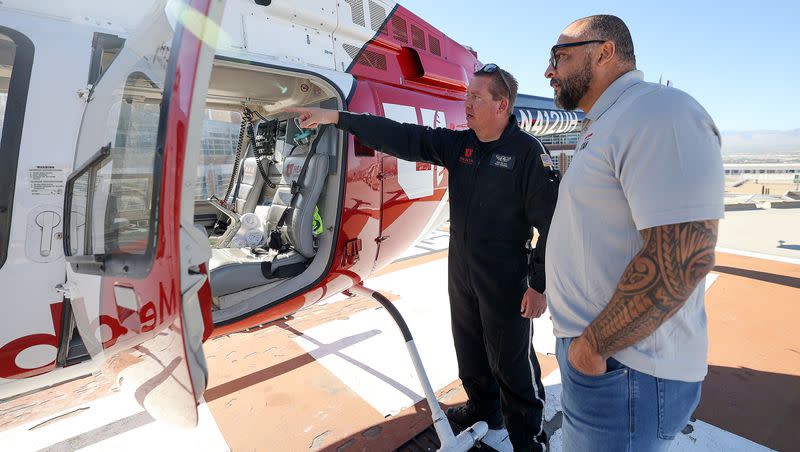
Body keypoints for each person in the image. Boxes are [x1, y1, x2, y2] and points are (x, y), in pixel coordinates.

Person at [288, 64, 557, 451]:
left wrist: (539, 285)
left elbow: (552, 224)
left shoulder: (527, 154)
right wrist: (336, 117)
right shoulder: (461, 146)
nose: (467, 102)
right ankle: (485, 411)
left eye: (476, 97)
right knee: (469, 350)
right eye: (467, 95)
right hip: (462, 270)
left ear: (502, 105)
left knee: (513, 366)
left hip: (506, 277)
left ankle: (529, 438)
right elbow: (404, 137)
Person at [543, 14, 724, 451]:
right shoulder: (608, 122)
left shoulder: (658, 113)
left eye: (559, 56)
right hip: (606, 362)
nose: (549, 71)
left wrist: (592, 348)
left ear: (604, 52)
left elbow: (685, 257)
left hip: (624, 370)